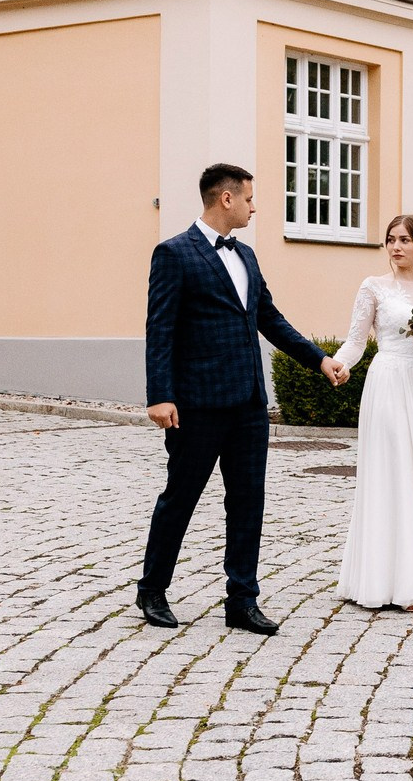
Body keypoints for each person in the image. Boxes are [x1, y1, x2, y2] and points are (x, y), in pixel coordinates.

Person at [137, 162, 347, 634]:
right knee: (181, 498)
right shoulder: (174, 253)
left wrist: (319, 360)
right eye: (249, 198)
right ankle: (152, 589)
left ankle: (242, 600)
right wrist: (160, 395)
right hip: (197, 404)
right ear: (226, 198)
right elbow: (160, 329)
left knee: (248, 501)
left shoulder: (247, 255)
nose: (255, 206)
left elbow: (269, 318)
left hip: (250, 403)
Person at [330, 215, 413, 609]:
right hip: (388, 383)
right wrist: (338, 364)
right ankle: (388, 582)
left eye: (404, 240)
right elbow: (356, 340)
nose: (395, 247)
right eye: (390, 240)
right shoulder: (373, 287)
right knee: (394, 472)